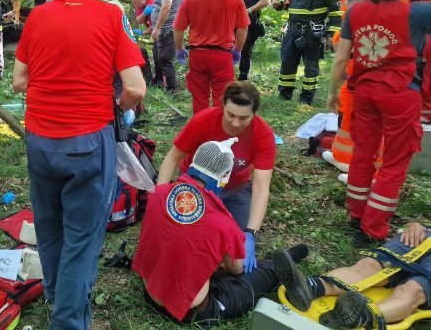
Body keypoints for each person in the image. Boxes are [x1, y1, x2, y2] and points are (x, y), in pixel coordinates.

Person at [12, 0, 146, 330]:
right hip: (89, 140)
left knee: (49, 225)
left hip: (40, 139)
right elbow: (135, 88)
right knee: (83, 239)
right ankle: (69, 322)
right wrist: (114, 102)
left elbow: (20, 81)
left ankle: (56, 295)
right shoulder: (111, 15)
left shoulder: (37, 17)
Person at [134, 139, 306, 326]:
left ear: (194, 163)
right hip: (191, 312)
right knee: (262, 272)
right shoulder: (224, 222)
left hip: (150, 295)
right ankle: (295, 254)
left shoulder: (158, 194)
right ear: (224, 176)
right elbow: (236, 268)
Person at [328, 0, 431, 246]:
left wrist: (333, 91)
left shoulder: (356, 11)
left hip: (365, 92)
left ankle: (357, 214)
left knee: (363, 153)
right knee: (394, 163)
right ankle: (373, 228)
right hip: (400, 93)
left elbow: (340, 57)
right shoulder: (417, 13)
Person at [157, 82, 275, 256]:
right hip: (198, 184)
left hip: (236, 188)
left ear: (254, 114)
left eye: (244, 118)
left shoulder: (263, 134)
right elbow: (172, 158)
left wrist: (251, 232)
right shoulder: (202, 121)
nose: (235, 123)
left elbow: (261, 187)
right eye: (231, 115)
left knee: (235, 244)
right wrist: (160, 195)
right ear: (222, 107)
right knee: (185, 235)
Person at [276, 222, 430, 329]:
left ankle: (359, 315)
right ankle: (308, 287)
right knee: (369, 266)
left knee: (413, 290)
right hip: (424, 237)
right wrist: (417, 225)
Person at [328, 0, 382, 173]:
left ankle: (350, 162)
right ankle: (367, 160)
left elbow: (354, 17)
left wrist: (340, 42)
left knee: (351, 102)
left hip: (363, 51)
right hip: (391, 50)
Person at [173, 0, 249, 115]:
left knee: (199, 96)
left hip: (198, 54)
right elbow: (242, 28)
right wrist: (237, 50)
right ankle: (220, 133)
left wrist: (179, 48)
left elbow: (178, 28)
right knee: (222, 97)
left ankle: (201, 131)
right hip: (222, 55)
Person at [273, 0, 342, 105]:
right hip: (292, 31)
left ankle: (306, 98)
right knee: (287, 61)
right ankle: (284, 95)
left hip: (313, 33)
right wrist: (279, 6)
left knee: (311, 66)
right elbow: (287, 4)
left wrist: (331, 36)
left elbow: (336, 15)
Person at [228, 0, 270, 81]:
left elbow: (265, 0)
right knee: (229, 48)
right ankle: (228, 75)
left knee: (245, 49)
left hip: (249, 23)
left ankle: (243, 77)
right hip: (232, 22)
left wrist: (249, 10)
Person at [150, 0, 182, 92]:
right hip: (164, 29)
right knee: (158, 56)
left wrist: (157, 28)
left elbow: (166, 7)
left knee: (165, 59)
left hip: (166, 29)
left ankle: (171, 89)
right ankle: (158, 81)